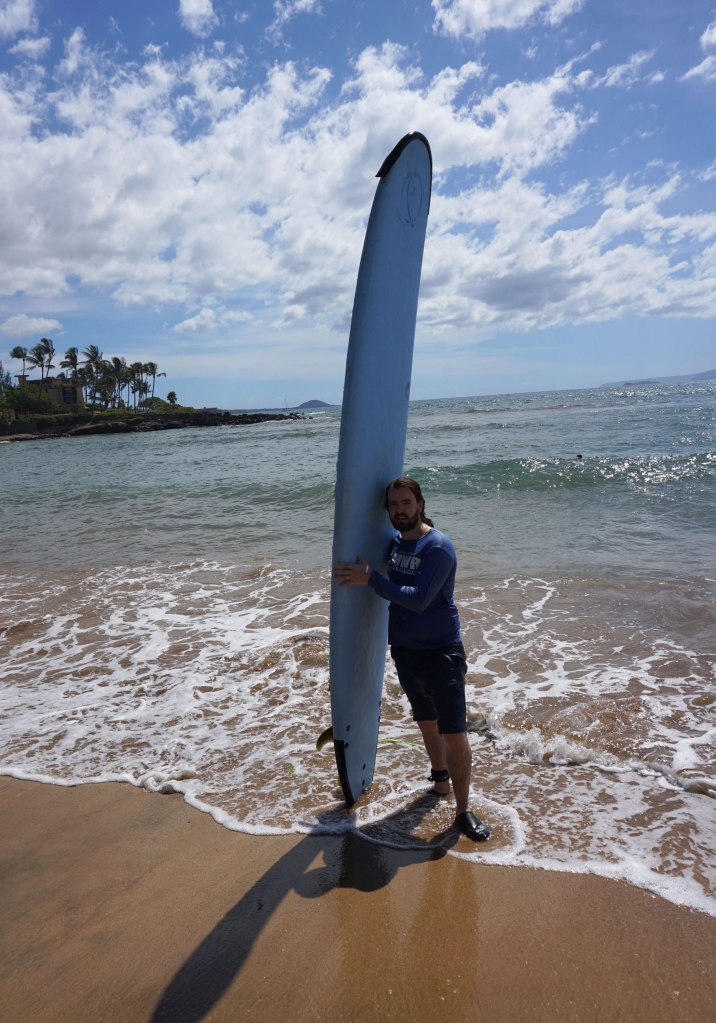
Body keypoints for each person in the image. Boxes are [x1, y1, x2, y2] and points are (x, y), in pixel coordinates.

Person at [332, 476, 490, 842]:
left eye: (406, 502)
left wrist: (371, 580)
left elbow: (418, 599)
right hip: (406, 652)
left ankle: (463, 811)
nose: (399, 510)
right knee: (427, 724)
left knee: (454, 735)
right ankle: (440, 782)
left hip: (441, 653)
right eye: (393, 504)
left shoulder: (438, 547)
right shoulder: (395, 545)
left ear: (420, 503)